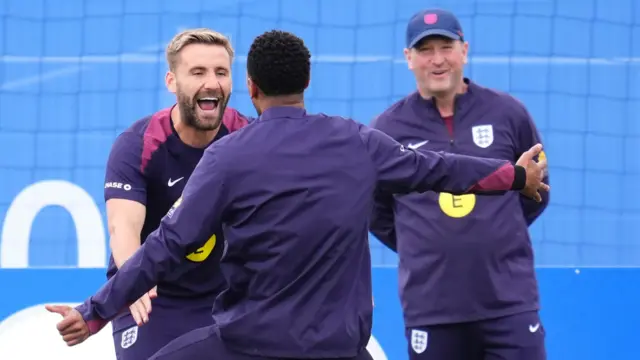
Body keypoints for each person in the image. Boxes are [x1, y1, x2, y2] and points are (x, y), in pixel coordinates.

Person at [46, 30, 548, 360]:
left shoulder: (229, 155)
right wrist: (514, 176)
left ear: (250, 86)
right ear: (307, 81)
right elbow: (440, 170)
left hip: (250, 344)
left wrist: (94, 312)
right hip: (339, 347)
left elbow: (165, 245)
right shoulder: (359, 141)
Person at [45, 28, 250, 360]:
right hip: (151, 298)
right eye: (197, 72)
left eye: (221, 72)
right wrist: (133, 282)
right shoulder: (138, 144)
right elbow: (122, 228)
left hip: (227, 298)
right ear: (172, 81)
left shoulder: (247, 138)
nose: (211, 82)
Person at [369, 8, 550, 360]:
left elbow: (537, 190)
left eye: (446, 47)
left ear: (464, 50)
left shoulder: (508, 113)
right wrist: (420, 240)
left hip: (509, 302)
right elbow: (374, 209)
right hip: (432, 307)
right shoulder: (387, 129)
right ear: (409, 58)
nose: (437, 60)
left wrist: (497, 230)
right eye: (425, 50)